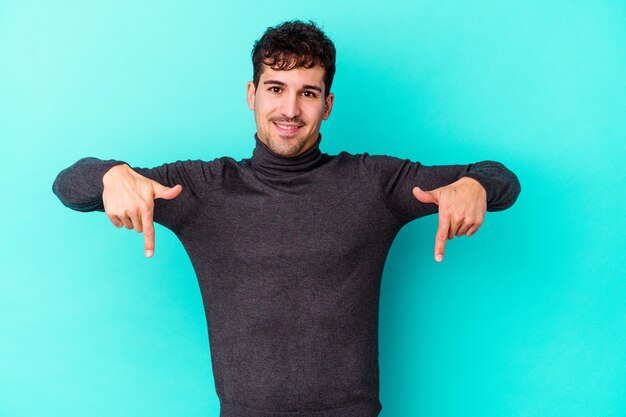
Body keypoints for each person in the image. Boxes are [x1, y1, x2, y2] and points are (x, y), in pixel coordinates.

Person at [53, 20, 521, 417]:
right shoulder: (200, 188)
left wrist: (475, 186)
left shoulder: (373, 182)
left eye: (308, 93)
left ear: (327, 105)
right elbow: (69, 186)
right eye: (276, 89)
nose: (290, 110)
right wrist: (110, 175)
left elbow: (500, 178)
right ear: (252, 95)